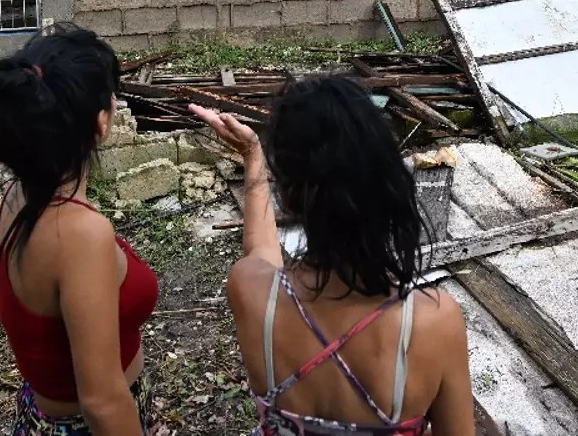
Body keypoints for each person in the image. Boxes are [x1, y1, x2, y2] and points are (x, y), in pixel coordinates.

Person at [191, 76, 474, 436]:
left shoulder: (251, 291)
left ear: (291, 198)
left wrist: (253, 157)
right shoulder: (433, 322)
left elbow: (261, 252)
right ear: (388, 183)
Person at [0, 24, 158, 435]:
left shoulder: (20, 196)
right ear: (101, 123)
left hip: (42, 413)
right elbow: (103, 402)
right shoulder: (79, 233)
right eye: (112, 95)